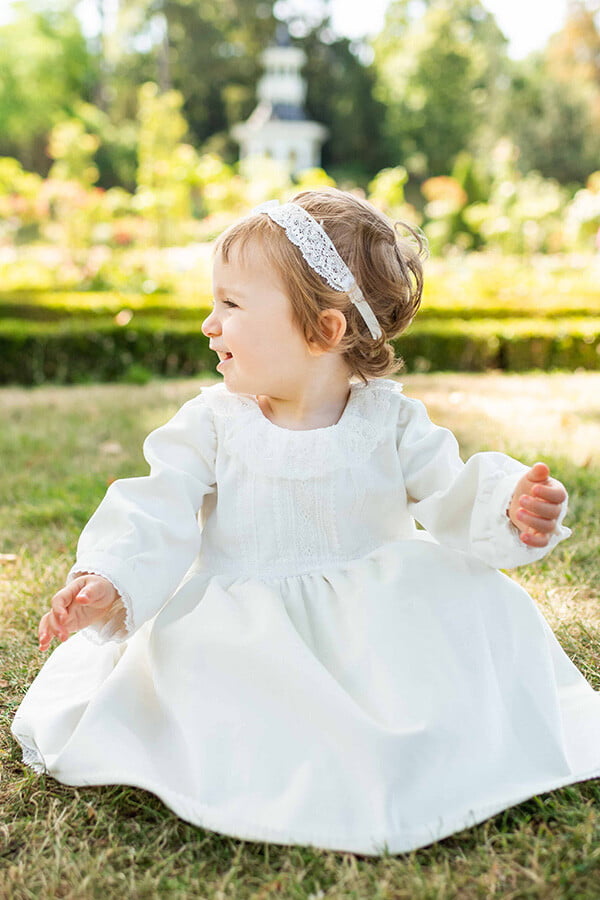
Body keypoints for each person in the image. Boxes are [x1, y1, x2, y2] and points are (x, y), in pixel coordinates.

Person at [11, 189, 600, 856]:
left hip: (383, 620)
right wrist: (111, 577)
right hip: (246, 625)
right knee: (225, 688)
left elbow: (451, 493)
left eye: (231, 305)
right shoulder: (212, 423)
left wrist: (507, 504)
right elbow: (157, 505)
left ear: (324, 331)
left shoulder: (390, 420)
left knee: (461, 647)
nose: (210, 323)